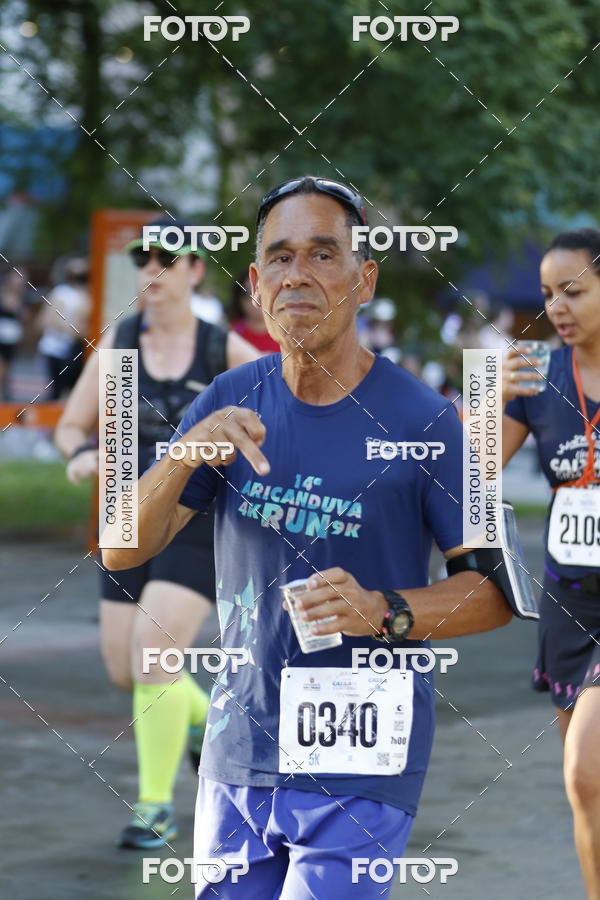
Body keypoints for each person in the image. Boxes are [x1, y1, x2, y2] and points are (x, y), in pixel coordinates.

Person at [103, 177, 513, 898]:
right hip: (239, 751)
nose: (300, 274)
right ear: (257, 283)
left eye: (324, 255)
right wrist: (183, 452)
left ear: (364, 279)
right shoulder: (226, 401)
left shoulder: (427, 421)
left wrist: (384, 610)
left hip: (360, 757)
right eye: (281, 258)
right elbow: (122, 548)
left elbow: (494, 594)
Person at [54, 218, 259, 849]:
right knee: (128, 669)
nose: (153, 273)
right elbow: (72, 425)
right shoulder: (119, 345)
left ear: (197, 271)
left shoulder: (221, 347)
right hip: (125, 519)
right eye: (145, 261)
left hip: (195, 521)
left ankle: (155, 808)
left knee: (153, 654)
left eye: (168, 262)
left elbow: (283, 405)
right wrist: (79, 455)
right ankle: (204, 721)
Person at [502, 228, 600, 899]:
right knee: (586, 792)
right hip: (569, 601)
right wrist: (485, 400)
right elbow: (463, 473)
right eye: (547, 294)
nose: (556, 306)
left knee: (584, 770)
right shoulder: (535, 372)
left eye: (574, 291)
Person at [38, 257, 90, 399]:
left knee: (69, 389)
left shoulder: (88, 295)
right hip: (55, 347)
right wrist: (69, 329)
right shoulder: (61, 293)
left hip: (73, 350)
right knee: (58, 389)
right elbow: (45, 320)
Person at [228, 272, 280, 353]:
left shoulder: (289, 336)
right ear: (239, 299)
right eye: (249, 293)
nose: (256, 299)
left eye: (262, 292)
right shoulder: (230, 335)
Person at [0, 268, 25, 400]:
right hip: (2, 335)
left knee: (7, 365)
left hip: (12, 336)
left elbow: (22, 317)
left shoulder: (20, 296)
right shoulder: (3, 293)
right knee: (2, 365)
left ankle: (5, 389)